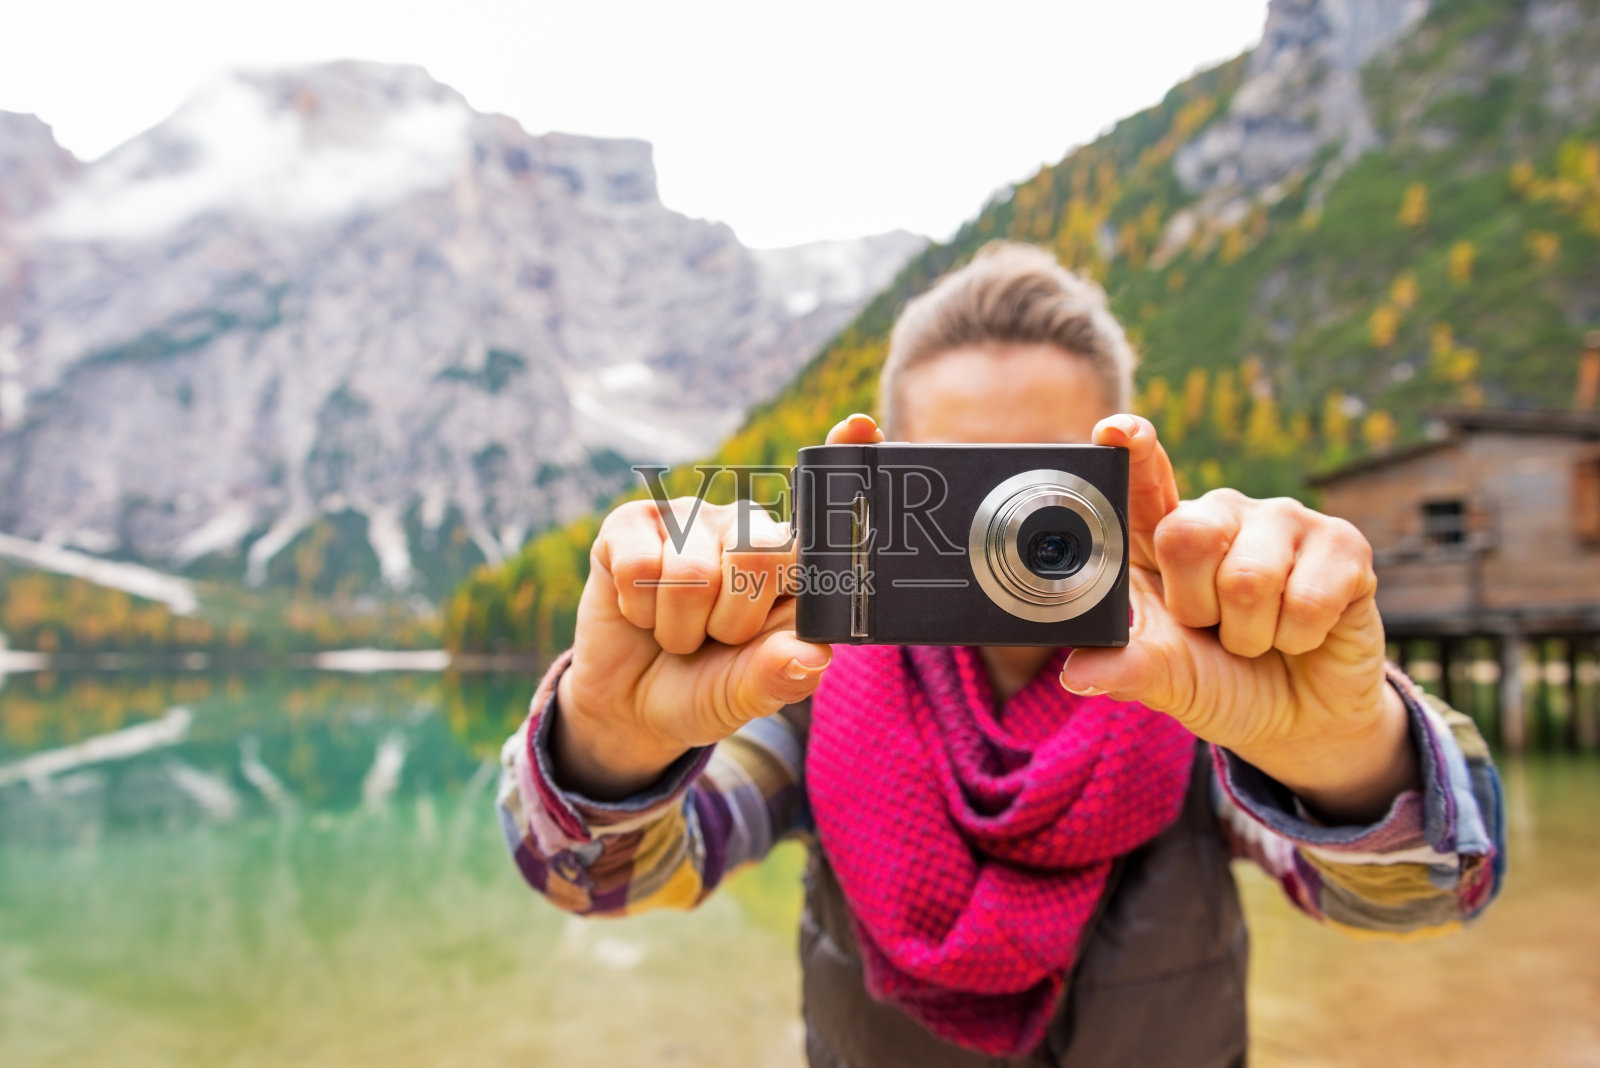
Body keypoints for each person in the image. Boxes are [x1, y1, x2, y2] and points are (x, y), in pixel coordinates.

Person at [497, 242, 1504, 1067]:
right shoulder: (807, 678)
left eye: (1043, 487)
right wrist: (605, 751)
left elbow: (1423, 893)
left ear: (1120, 477)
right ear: (886, 483)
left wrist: (1343, 756)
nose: (1001, 531)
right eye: (959, 481)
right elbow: (616, 878)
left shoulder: (1206, 687)